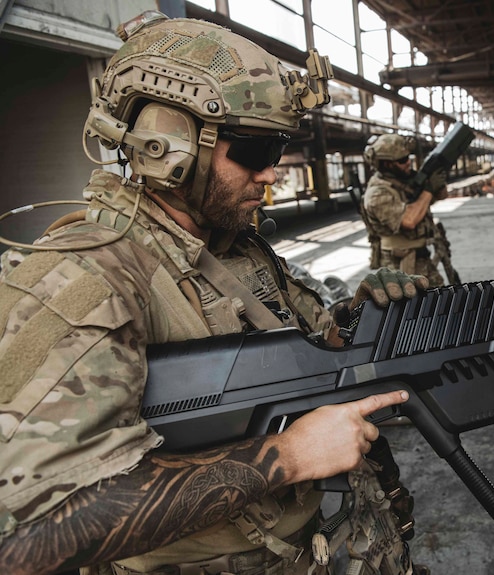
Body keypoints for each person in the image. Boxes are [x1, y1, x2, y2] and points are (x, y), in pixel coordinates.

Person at [0, 11, 428, 575]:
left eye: (277, 151)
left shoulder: (235, 248)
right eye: (255, 152)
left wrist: (356, 319)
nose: (272, 173)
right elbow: (25, 534)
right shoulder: (84, 277)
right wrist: (287, 458)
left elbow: (301, 350)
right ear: (166, 145)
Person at [361, 134, 450, 287]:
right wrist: (428, 190)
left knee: (440, 301)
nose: (408, 162)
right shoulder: (377, 194)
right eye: (402, 160)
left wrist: (437, 182)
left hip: (422, 257)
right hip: (399, 265)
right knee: (412, 309)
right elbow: (409, 221)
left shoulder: (405, 181)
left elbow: (441, 196)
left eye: (409, 157)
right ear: (387, 164)